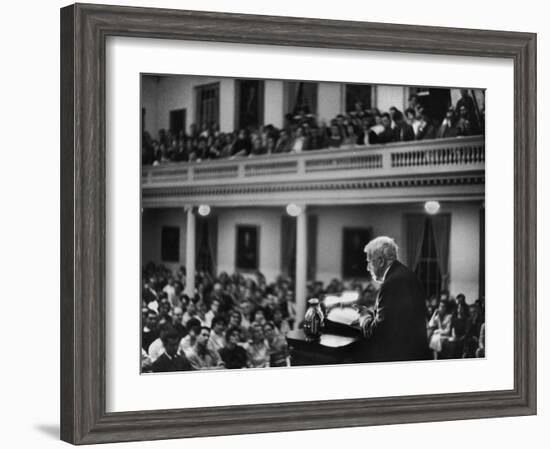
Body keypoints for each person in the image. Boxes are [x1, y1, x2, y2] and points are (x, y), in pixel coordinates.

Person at [354, 236, 430, 362]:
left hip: (401, 359)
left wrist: (363, 318)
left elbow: (379, 333)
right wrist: (370, 314)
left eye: (369, 262)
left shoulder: (394, 282)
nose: (368, 268)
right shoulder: (405, 274)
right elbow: (396, 321)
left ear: (381, 261)